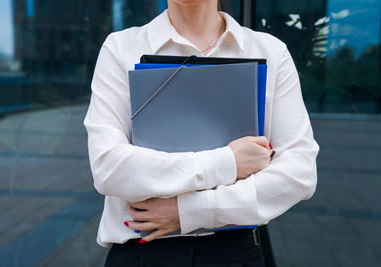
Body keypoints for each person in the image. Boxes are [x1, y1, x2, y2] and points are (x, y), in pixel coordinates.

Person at [83, 0, 319, 266]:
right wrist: (228, 162)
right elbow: (109, 168)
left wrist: (190, 211)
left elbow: (300, 172)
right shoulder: (121, 48)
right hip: (143, 254)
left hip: (236, 254)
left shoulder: (270, 51)